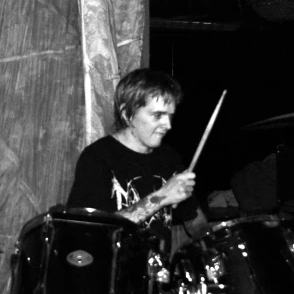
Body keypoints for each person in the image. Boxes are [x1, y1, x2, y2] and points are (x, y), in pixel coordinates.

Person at [67, 68, 209, 250]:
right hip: (112, 274)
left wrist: (209, 243)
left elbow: (193, 219)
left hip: (157, 275)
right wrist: (162, 196)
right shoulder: (98, 157)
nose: (168, 125)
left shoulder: (169, 157)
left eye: (170, 116)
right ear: (127, 114)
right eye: (158, 115)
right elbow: (90, 232)